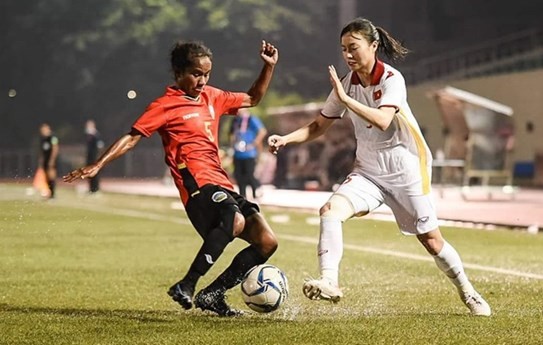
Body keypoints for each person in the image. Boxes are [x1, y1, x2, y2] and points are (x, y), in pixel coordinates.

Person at [268, 18, 491, 316]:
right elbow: (319, 124)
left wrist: (346, 99)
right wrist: (286, 139)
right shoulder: (346, 84)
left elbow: (383, 120)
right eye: (343, 49)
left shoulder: (391, 79)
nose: (347, 55)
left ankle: (469, 292)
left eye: (354, 48)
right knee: (330, 212)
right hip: (368, 172)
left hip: (406, 171)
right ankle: (329, 281)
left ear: (373, 46)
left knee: (432, 241)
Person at [64, 40, 279, 317]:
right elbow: (133, 137)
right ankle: (187, 284)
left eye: (207, 74)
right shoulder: (165, 105)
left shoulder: (213, 96)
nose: (202, 80)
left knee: (266, 241)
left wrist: (268, 67)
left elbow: (253, 98)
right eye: (196, 74)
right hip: (197, 187)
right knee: (235, 219)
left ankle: (213, 295)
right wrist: (98, 164)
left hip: (222, 183)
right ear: (178, 73)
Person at [229, 108, 267, 199]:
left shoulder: (251, 119)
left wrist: (254, 143)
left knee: (249, 174)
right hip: (238, 153)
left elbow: (262, 131)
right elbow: (232, 134)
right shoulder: (235, 120)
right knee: (238, 175)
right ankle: (243, 196)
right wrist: (232, 146)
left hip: (249, 153)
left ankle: (256, 192)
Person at [38, 123, 59, 199]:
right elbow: (42, 152)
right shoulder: (43, 139)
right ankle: (49, 193)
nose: (43, 132)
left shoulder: (53, 137)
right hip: (45, 161)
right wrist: (41, 161)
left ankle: (53, 194)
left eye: (44, 130)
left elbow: (55, 149)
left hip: (51, 161)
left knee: (51, 176)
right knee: (46, 177)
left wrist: (52, 160)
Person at [85, 120, 105, 194]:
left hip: (94, 157)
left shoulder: (96, 135)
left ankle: (96, 189)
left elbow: (100, 146)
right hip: (89, 157)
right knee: (89, 173)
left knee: (95, 173)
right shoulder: (89, 135)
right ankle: (91, 189)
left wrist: (99, 157)